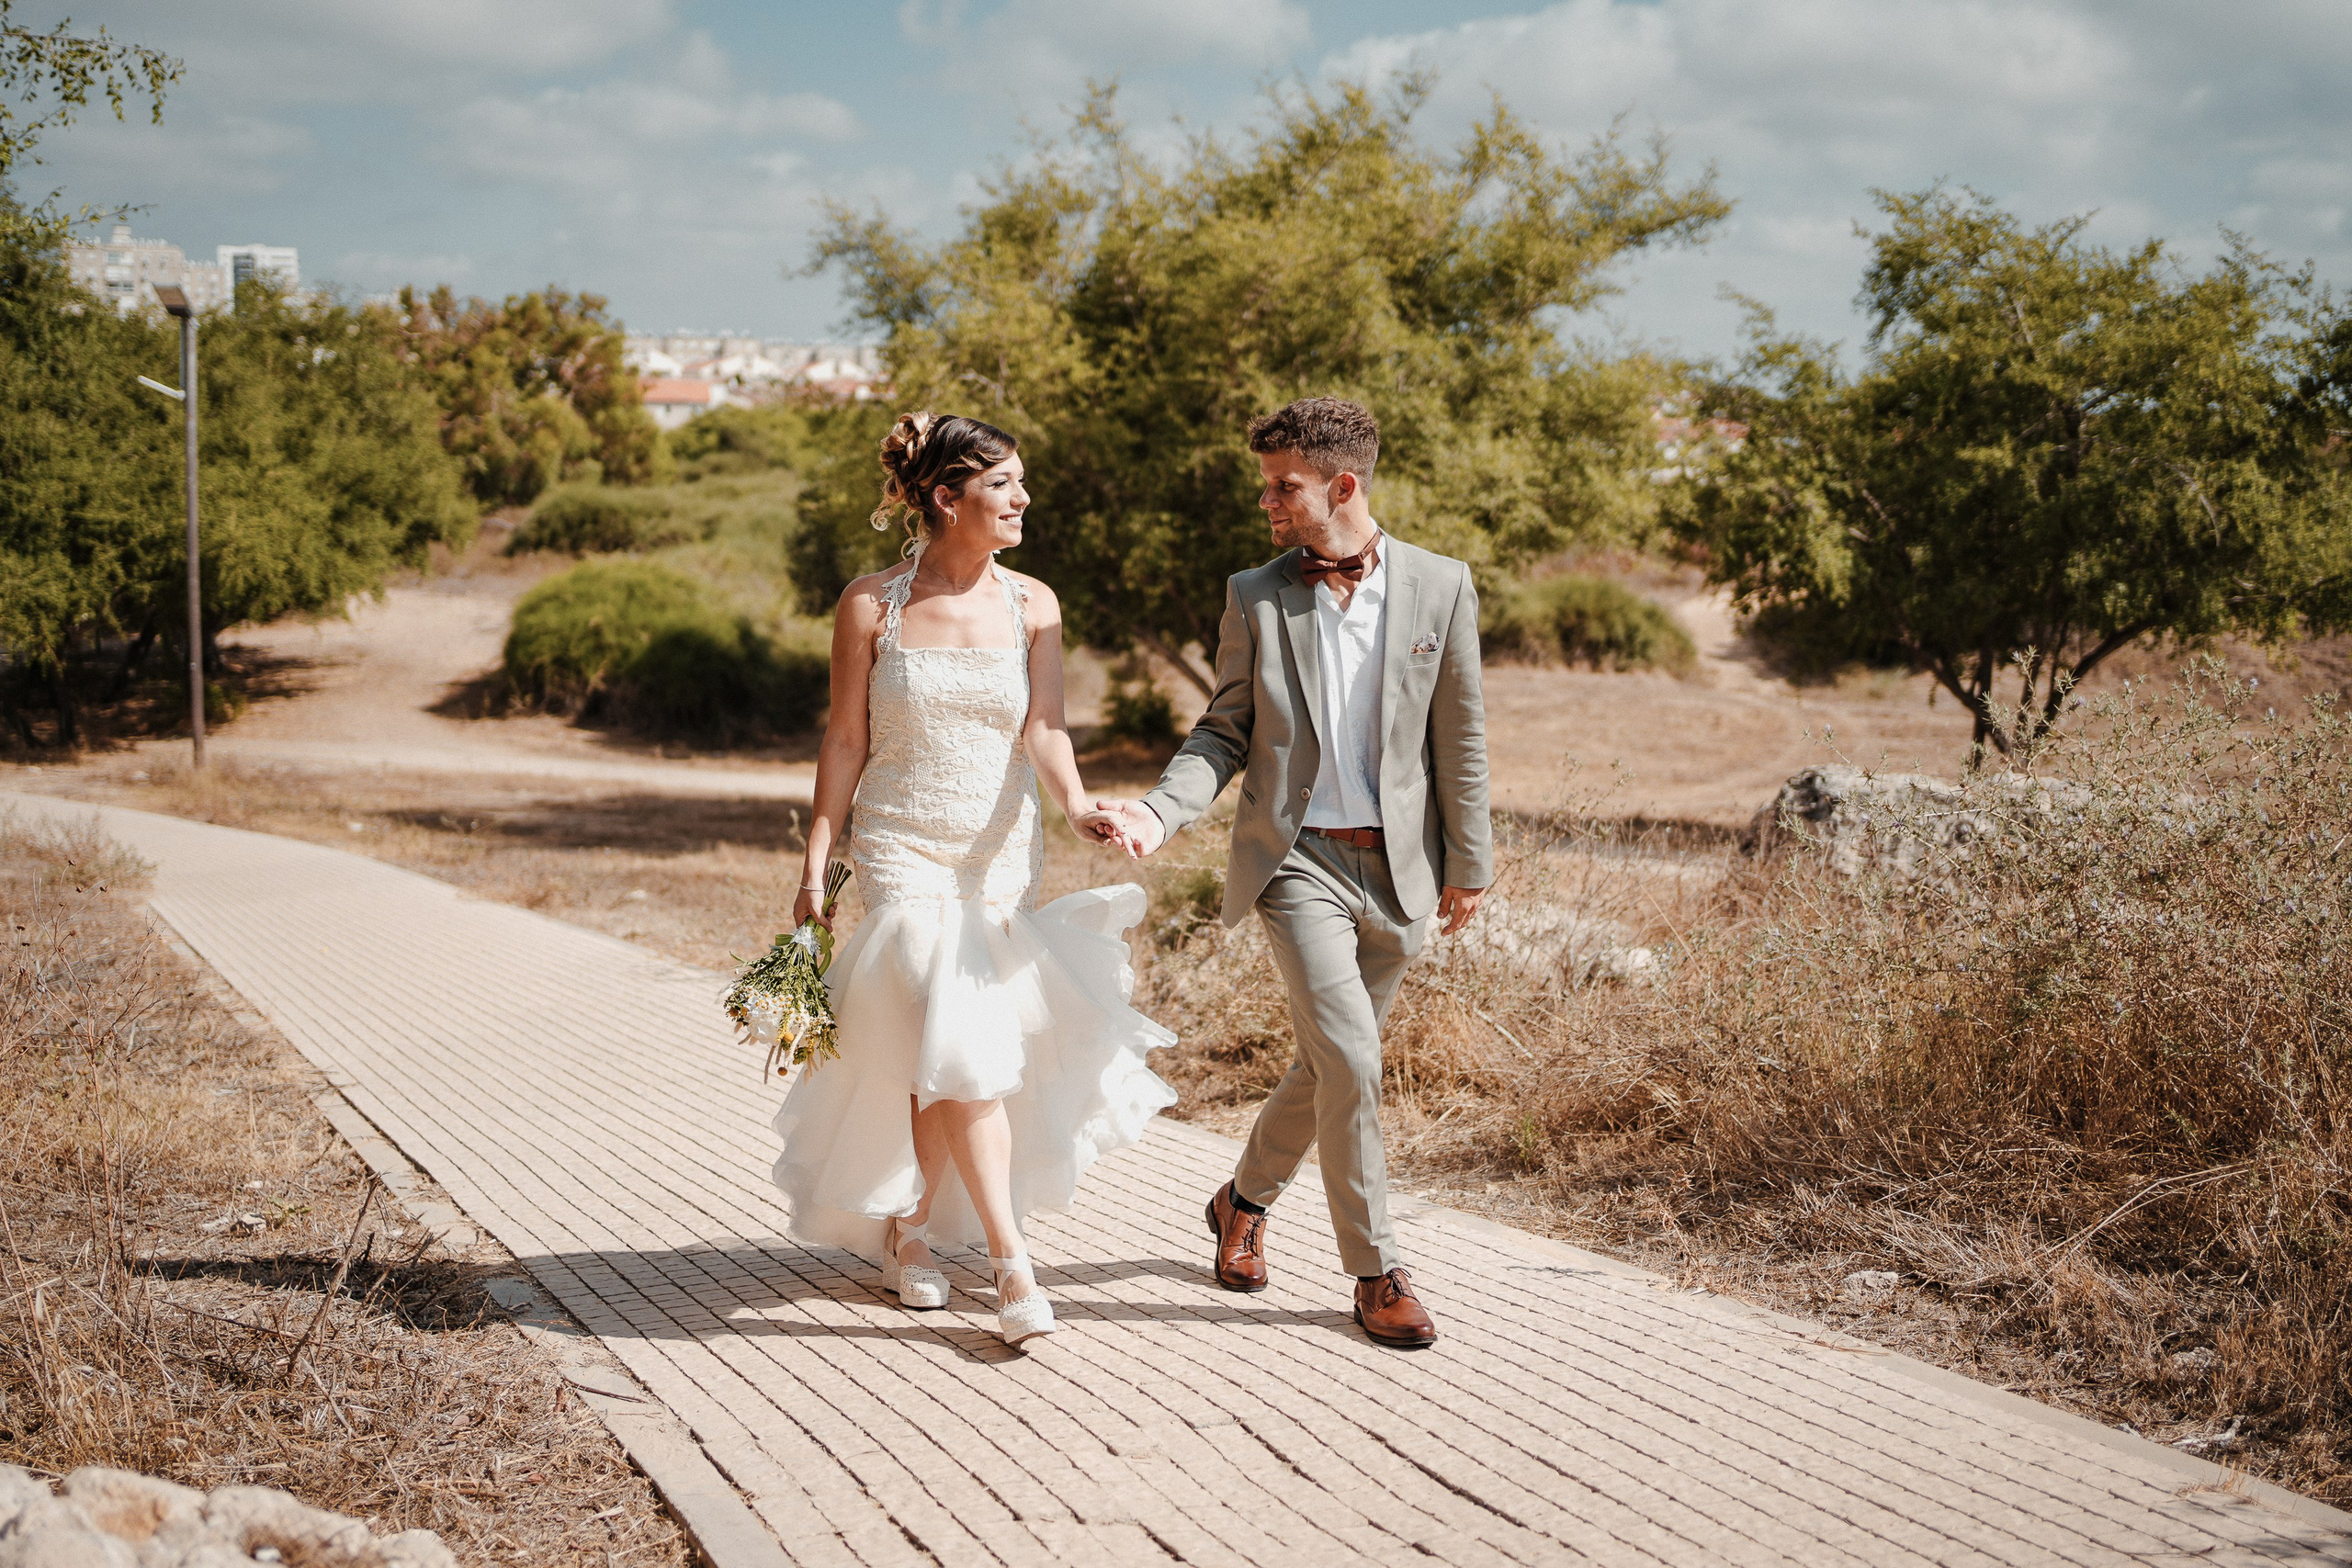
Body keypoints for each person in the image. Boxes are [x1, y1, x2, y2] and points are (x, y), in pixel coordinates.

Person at [772, 411, 1176, 1346]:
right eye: (1005, 486)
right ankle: (1011, 1265)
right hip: (903, 850)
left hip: (994, 851)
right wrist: (815, 862)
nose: (1024, 500)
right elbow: (844, 737)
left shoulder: (1033, 603)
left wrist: (1077, 808)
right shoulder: (870, 605)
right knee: (954, 1029)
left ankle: (911, 1230)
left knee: (944, 1043)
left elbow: (1046, 728)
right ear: (947, 498)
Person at [1093, 397, 1490, 1348]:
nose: (1266, 502)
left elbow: (1461, 735)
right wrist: (1158, 810)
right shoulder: (1255, 593)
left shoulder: (1441, 586)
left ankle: (1240, 1201)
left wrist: (1468, 862)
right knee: (1354, 1060)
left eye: (1284, 487)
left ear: (1343, 485)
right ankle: (1376, 1272)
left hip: (1401, 869)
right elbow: (1223, 730)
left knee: (1327, 1067)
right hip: (1297, 862)